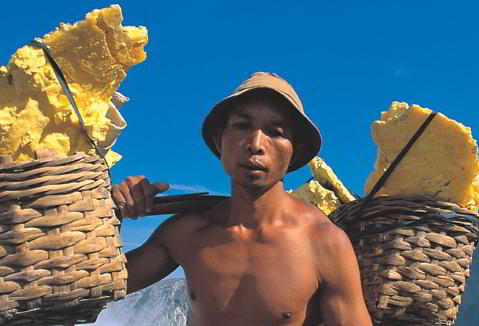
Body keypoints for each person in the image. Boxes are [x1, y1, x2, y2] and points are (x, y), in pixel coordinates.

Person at [111, 72, 373, 326]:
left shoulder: (323, 243)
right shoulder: (185, 233)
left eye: (276, 131)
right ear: (219, 140)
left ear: (295, 152)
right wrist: (110, 213)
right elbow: (98, 286)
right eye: (242, 126)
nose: (256, 143)